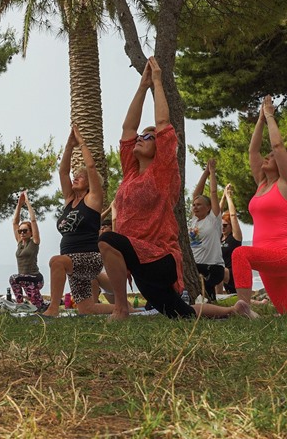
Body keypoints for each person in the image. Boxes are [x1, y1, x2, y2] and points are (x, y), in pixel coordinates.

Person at [98, 58, 249, 320]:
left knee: (107, 239)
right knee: (181, 313)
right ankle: (235, 311)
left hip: (160, 259)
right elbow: (128, 128)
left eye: (149, 137)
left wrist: (157, 83)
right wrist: (142, 86)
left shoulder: (163, 171)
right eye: (141, 137)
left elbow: (163, 122)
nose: (141, 139)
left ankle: (121, 308)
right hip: (140, 264)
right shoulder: (131, 173)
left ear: (160, 148)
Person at [42, 124, 110, 316]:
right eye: (76, 176)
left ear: (90, 182)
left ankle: (53, 309)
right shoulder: (70, 200)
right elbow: (63, 172)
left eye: (81, 177)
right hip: (72, 262)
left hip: (89, 258)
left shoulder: (93, 199)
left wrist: (81, 143)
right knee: (86, 309)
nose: (76, 177)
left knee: (56, 261)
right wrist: (69, 145)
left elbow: (90, 166)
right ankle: (128, 309)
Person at [233, 95, 287, 316]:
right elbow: (252, 152)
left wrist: (270, 116)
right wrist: (260, 120)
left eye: (272, 157)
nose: (267, 156)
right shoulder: (262, 184)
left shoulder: (284, 184)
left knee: (240, 254)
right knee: (284, 311)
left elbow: (277, 144)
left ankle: (243, 307)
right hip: (267, 261)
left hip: (282, 252)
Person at [189, 159, 224, 303]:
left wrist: (213, 172)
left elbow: (213, 193)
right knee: (197, 298)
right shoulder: (194, 220)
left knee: (206, 296)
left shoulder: (213, 220)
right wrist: (205, 172)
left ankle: (213, 310)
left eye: (199, 205)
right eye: (194, 205)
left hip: (213, 267)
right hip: (195, 266)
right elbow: (196, 193)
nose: (195, 207)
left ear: (208, 207)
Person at [9, 191, 43, 310]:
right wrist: (19, 204)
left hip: (35, 278)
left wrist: (27, 202)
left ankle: (19, 305)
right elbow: (14, 223)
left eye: (25, 231)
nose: (22, 233)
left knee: (13, 278)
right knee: (38, 306)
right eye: (20, 231)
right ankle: (42, 303)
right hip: (24, 280)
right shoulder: (20, 242)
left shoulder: (34, 242)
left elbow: (33, 221)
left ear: (31, 232)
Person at [219, 184, 243, 294]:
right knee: (235, 299)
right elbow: (215, 216)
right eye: (221, 225)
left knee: (215, 270)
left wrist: (228, 197)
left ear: (231, 226)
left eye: (225, 226)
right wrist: (223, 197)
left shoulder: (235, 237)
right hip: (224, 277)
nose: (222, 228)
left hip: (234, 273)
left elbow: (233, 216)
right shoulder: (219, 238)